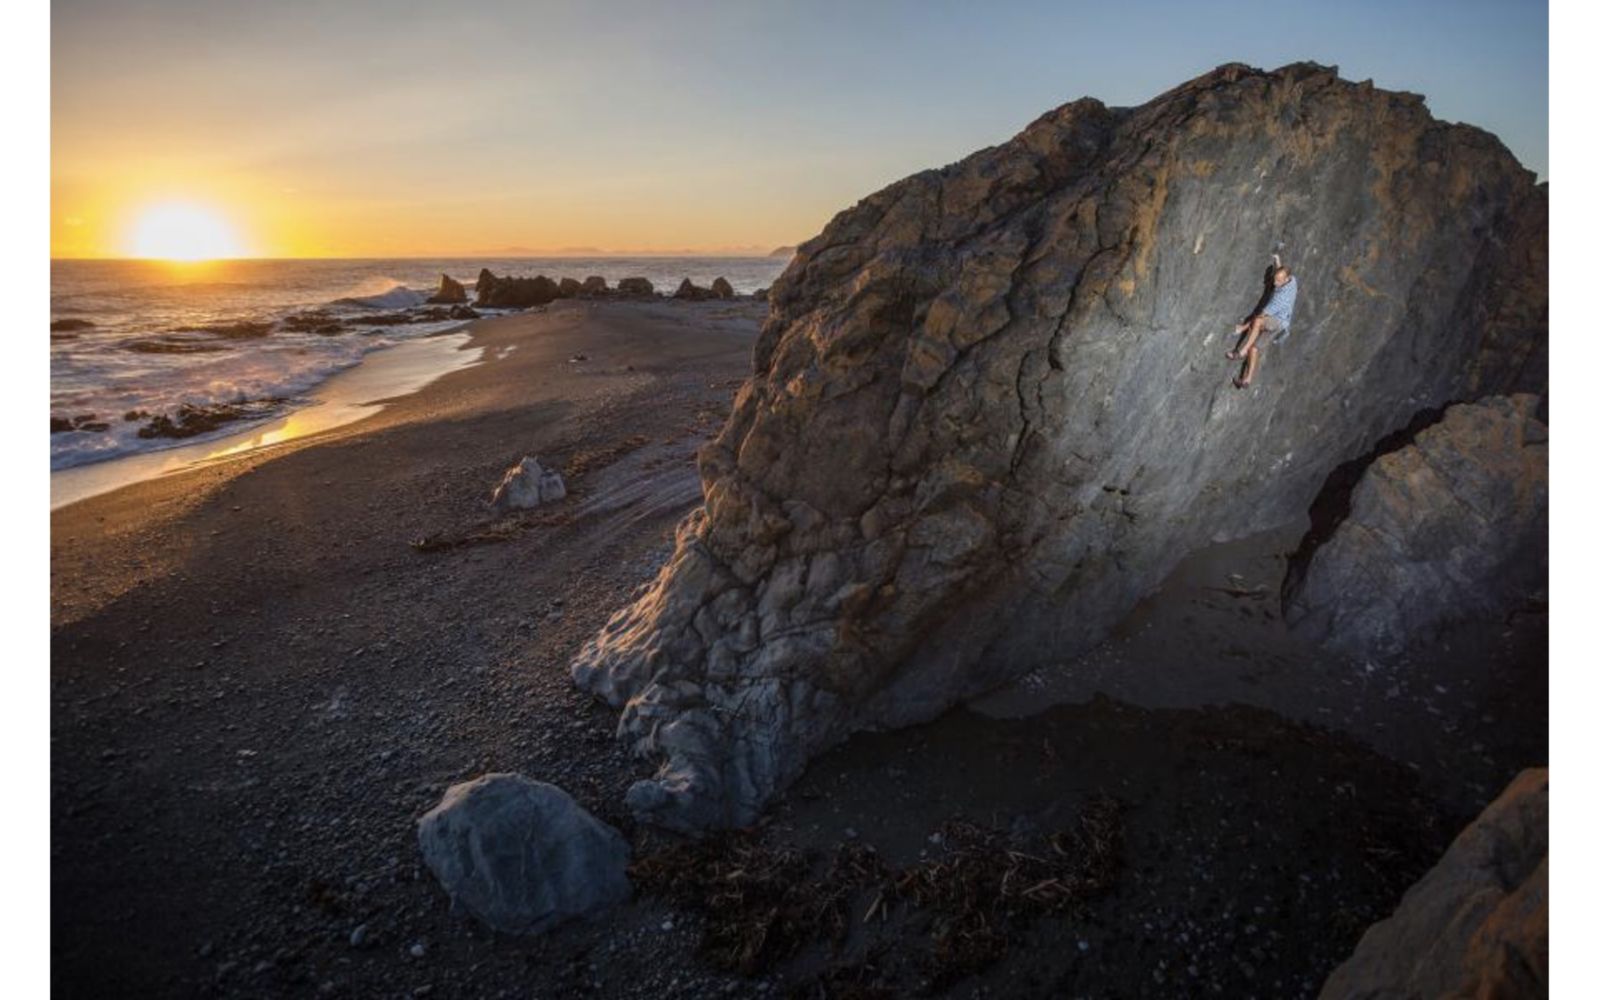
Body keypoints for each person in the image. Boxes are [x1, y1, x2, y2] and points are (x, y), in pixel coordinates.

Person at [1226, 256, 1298, 388]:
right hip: (1282, 322)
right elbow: (1281, 273)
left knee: (1258, 321)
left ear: (1286, 280)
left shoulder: (1281, 298)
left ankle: (1242, 352)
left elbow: (1262, 315)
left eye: (1278, 281)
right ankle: (1247, 380)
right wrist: (1278, 262)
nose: (1275, 283)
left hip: (1278, 322)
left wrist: (1243, 327)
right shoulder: (1292, 281)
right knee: (1255, 349)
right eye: (1275, 279)